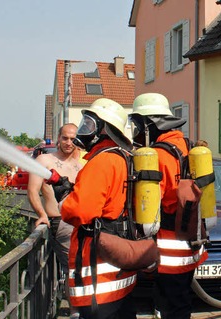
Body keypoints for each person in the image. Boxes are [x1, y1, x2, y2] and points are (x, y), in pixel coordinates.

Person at [129, 93, 208, 319]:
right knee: (181, 301)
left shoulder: (158, 155)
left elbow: (149, 202)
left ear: (150, 125)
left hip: (168, 247)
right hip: (190, 241)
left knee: (169, 306)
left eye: (137, 124)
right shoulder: (185, 145)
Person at [60, 98, 138, 319]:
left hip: (98, 278)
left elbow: (80, 212)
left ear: (104, 130)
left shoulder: (101, 162)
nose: (84, 129)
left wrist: (65, 200)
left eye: (90, 124)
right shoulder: (123, 157)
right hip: (120, 273)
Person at [27, 123, 83, 316]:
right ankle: (75, 312)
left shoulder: (81, 164)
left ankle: (83, 308)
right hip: (60, 222)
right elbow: (32, 191)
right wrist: (42, 214)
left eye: (73, 139)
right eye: (65, 138)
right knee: (73, 269)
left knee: (84, 268)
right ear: (58, 138)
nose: (69, 142)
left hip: (82, 222)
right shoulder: (44, 160)